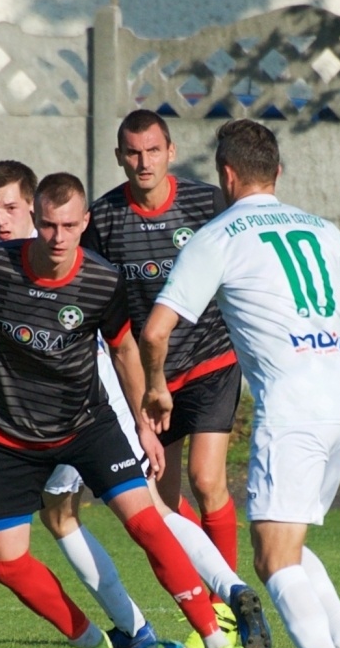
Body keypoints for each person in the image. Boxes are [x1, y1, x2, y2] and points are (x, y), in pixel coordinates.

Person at [0, 170, 270, 648]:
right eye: (48, 226)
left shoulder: (99, 279)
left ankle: (218, 640)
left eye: (68, 225)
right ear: (38, 221)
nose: (56, 237)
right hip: (10, 437)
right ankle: (93, 642)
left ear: (83, 223)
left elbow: (122, 348)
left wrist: (142, 421)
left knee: (147, 521)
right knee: (7, 562)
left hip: (87, 423)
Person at [140, 120, 340, 648]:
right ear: (277, 172)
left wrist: (156, 389)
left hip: (294, 412)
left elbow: (154, 330)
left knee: (271, 558)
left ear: (225, 175)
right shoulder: (318, 228)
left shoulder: (218, 236)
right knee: (287, 537)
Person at [82, 114, 253, 608]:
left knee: (207, 479)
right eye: (133, 153)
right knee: (161, 504)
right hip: (149, 376)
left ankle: (229, 606)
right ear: (119, 157)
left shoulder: (208, 203)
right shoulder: (105, 218)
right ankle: (208, 592)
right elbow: (83, 289)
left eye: (152, 151)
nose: (143, 162)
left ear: (171, 152)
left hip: (211, 360)